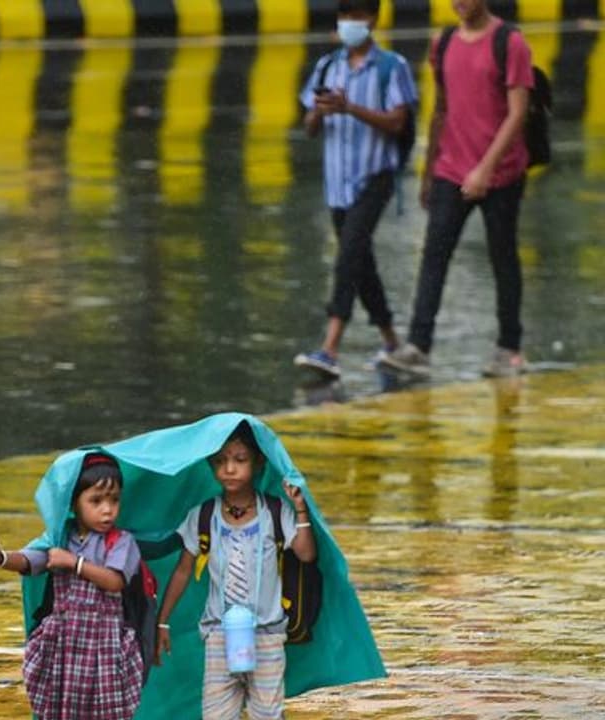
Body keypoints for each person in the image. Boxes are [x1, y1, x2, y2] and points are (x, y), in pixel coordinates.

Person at [378, 0, 533, 378]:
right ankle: (419, 346)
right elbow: (442, 108)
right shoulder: (442, 42)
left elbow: (518, 113)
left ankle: (510, 348)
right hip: (452, 167)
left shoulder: (510, 43)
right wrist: (430, 170)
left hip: (501, 172)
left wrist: (485, 169)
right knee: (434, 254)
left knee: (503, 258)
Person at [155, 423, 316, 720]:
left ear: (258, 463)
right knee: (217, 714)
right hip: (218, 634)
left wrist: (301, 510)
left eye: (240, 460)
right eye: (221, 461)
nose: (229, 469)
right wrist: (162, 622)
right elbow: (182, 571)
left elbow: (306, 553)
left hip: (267, 634)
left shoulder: (276, 512)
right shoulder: (203, 516)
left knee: (267, 713)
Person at [293, 0, 417, 381]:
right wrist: (319, 111)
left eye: (357, 16)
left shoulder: (391, 67)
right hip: (337, 183)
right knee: (362, 265)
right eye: (344, 16)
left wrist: (351, 108)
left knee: (348, 255)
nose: (350, 23)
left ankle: (330, 348)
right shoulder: (327, 67)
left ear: (373, 20)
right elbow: (308, 126)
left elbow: (398, 121)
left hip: (375, 177)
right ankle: (392, 341)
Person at [0, 453, 145, 720]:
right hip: (64, 646)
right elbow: (28, 561)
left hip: (103, 647)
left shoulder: (121, 541)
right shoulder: (60, 538)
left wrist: (74, 563)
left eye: (114, 500)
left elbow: (115, 581)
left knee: (105, 711)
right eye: (96, 500)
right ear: (73, 503)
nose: (107, 509)